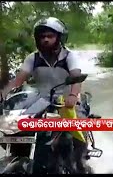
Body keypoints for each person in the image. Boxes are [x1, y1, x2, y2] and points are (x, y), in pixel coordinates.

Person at [0, 17, 89, 174]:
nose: (46, 39)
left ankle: (78, 164)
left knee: (77, 128)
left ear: (59, 37)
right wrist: (3, 94)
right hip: (40, 101)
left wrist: (73, 96)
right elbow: (18, 81)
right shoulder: (33, 58)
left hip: (67, 101)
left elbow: (76, 77)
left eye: (50, 36)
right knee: (14, 127)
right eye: (42, 37)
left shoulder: (69, 57)